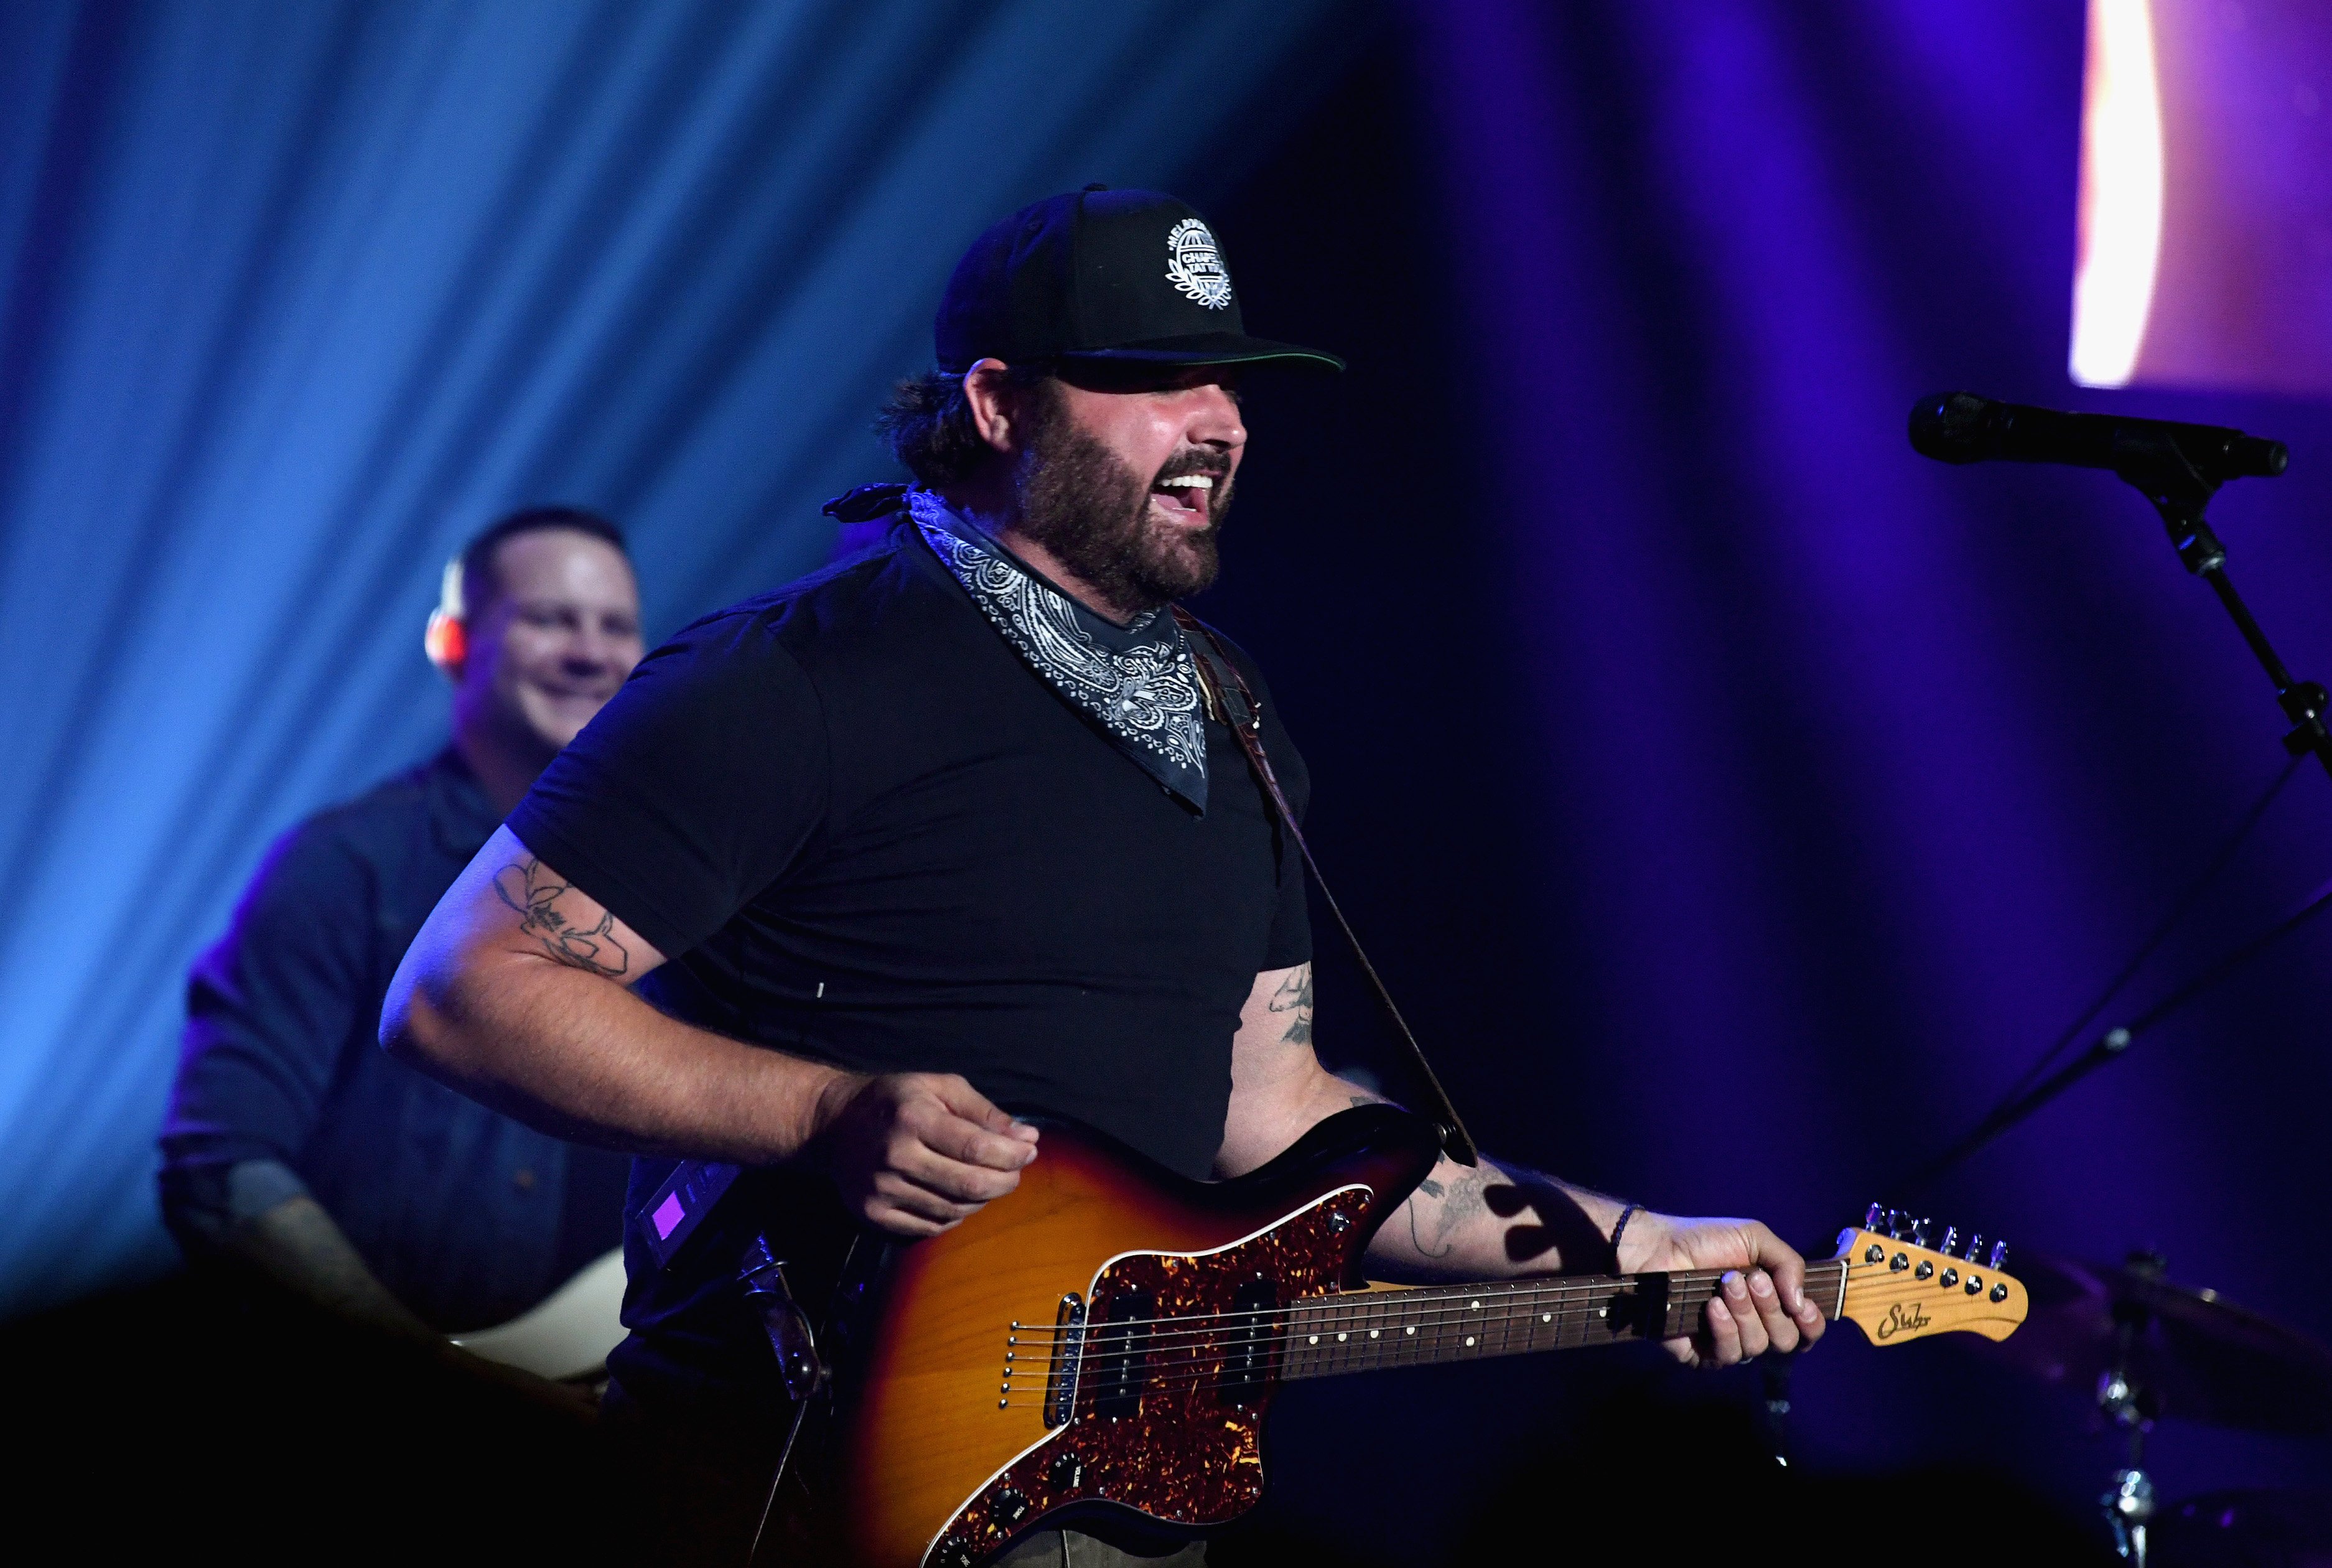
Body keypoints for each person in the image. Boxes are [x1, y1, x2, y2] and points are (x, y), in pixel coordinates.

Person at [381, 190, 1827, 1562]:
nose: (1219, 424)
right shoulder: (794, 678)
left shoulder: (1229, 712)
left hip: (1111, 1500)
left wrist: (1642, 1246)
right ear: (999, 404)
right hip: (795, 1483)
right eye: (1153, 380)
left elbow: (1277, 1114)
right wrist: (817, 1109)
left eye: (1231, 384)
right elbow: (461, 990)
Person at [161, 507, 646, 1356]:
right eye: (549, 619)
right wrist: (428, 1379)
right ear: (451, 644)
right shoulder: (346, 863)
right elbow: (220, 1163)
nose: (591, 652)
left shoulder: (674, 875)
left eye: (616, 626)